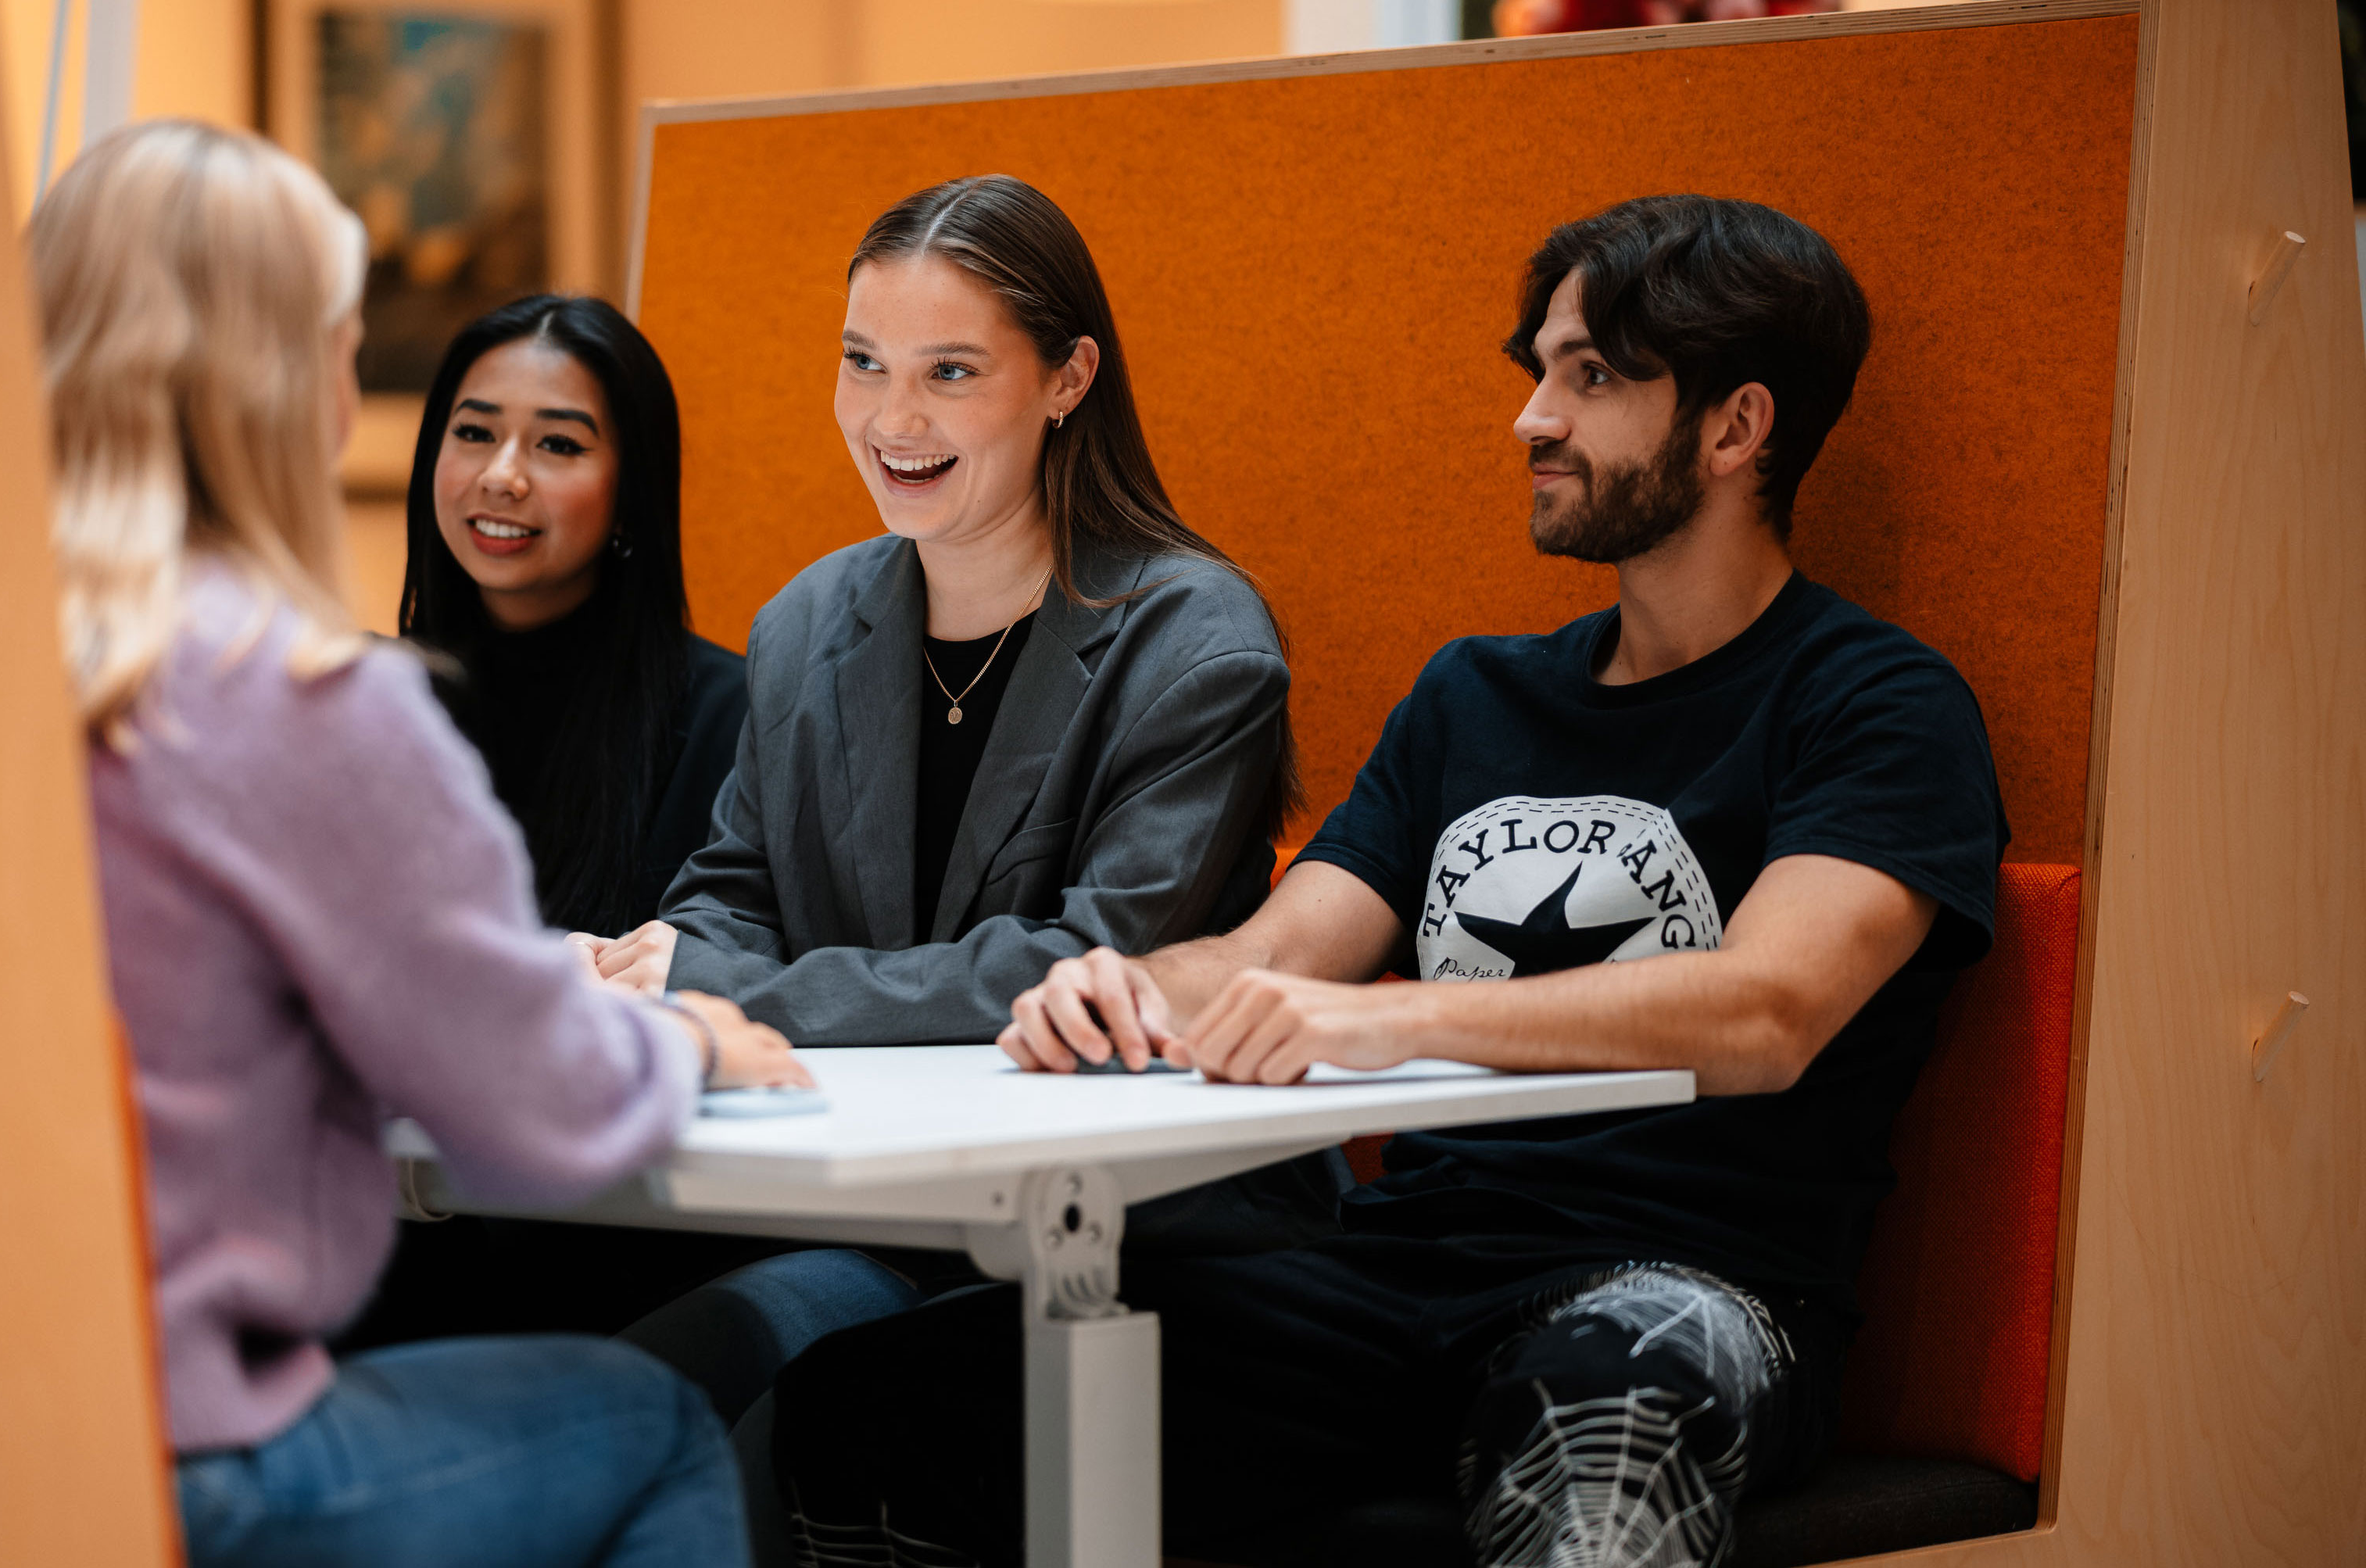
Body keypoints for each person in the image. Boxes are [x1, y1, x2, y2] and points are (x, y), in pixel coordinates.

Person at [771, 194, 2008, 1567]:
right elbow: (1277, 953)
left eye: (1591, 378)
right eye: (1538, 372)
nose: (1531, 420)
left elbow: (1769, 1013)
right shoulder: (1475, 692)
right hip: (1399, 1266)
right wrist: (1117, 987)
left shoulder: (1878, 702)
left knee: (1604, 1426)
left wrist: (1399, 1014)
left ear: (1734, 428)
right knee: (878, 1400)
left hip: (1685, 1279)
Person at [31, 119, 809, 1568]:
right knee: (651, 1423)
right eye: (345, 345)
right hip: (193, 1448)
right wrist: (695, 1040)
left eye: (556, 444)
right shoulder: (305, 697)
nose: (497, 474)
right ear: (278, 376)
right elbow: (538, 1102)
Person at [583, 174, 1301, 1048]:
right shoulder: (804, 621)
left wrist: (740, 992)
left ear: (1068, 379)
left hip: (1118, 1163)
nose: (891, 419)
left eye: (949, 371)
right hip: (847, 1150)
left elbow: (1092, 972)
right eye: (863, 362)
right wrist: (644, 968)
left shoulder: (1195, 645)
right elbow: (729, 901)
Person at [401, 294, 748, 939]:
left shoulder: (730, 722)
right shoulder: (377, 701)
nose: (502, 477)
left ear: (630, 495)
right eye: (475, 433)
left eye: (558, 444)